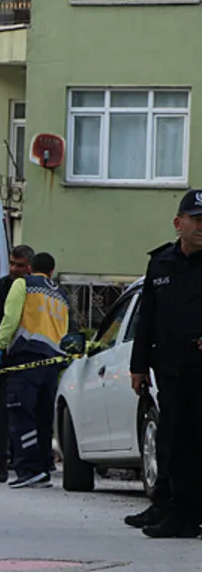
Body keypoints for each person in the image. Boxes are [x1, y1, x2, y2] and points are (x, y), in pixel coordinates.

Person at [129, 188, 202, 539]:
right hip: (171, 370)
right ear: (179, 223)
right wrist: (138, 365)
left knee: (192, 443)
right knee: (171, 440)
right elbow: (147, 320)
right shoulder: (161, 263)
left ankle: (186, 514)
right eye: (196, 219)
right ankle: (168, 505)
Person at [0, 251, 72, 489]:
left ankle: (27, 470)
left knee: (21, 415)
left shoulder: (23, 285)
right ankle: (43, 467)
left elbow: (11, 317)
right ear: (51, 272)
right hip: (51, 364)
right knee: (43, 417)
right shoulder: (62, 295)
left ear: (30, 268)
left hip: (26, 359)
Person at [0, 244, 35, 484]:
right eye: (12, 263)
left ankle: (27, 463)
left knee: (27, 413)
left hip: (28, 360)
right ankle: (0, 463)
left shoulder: (36, 291)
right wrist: (3, 341)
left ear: (29, 267)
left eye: (19, 265)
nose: (14, 269)